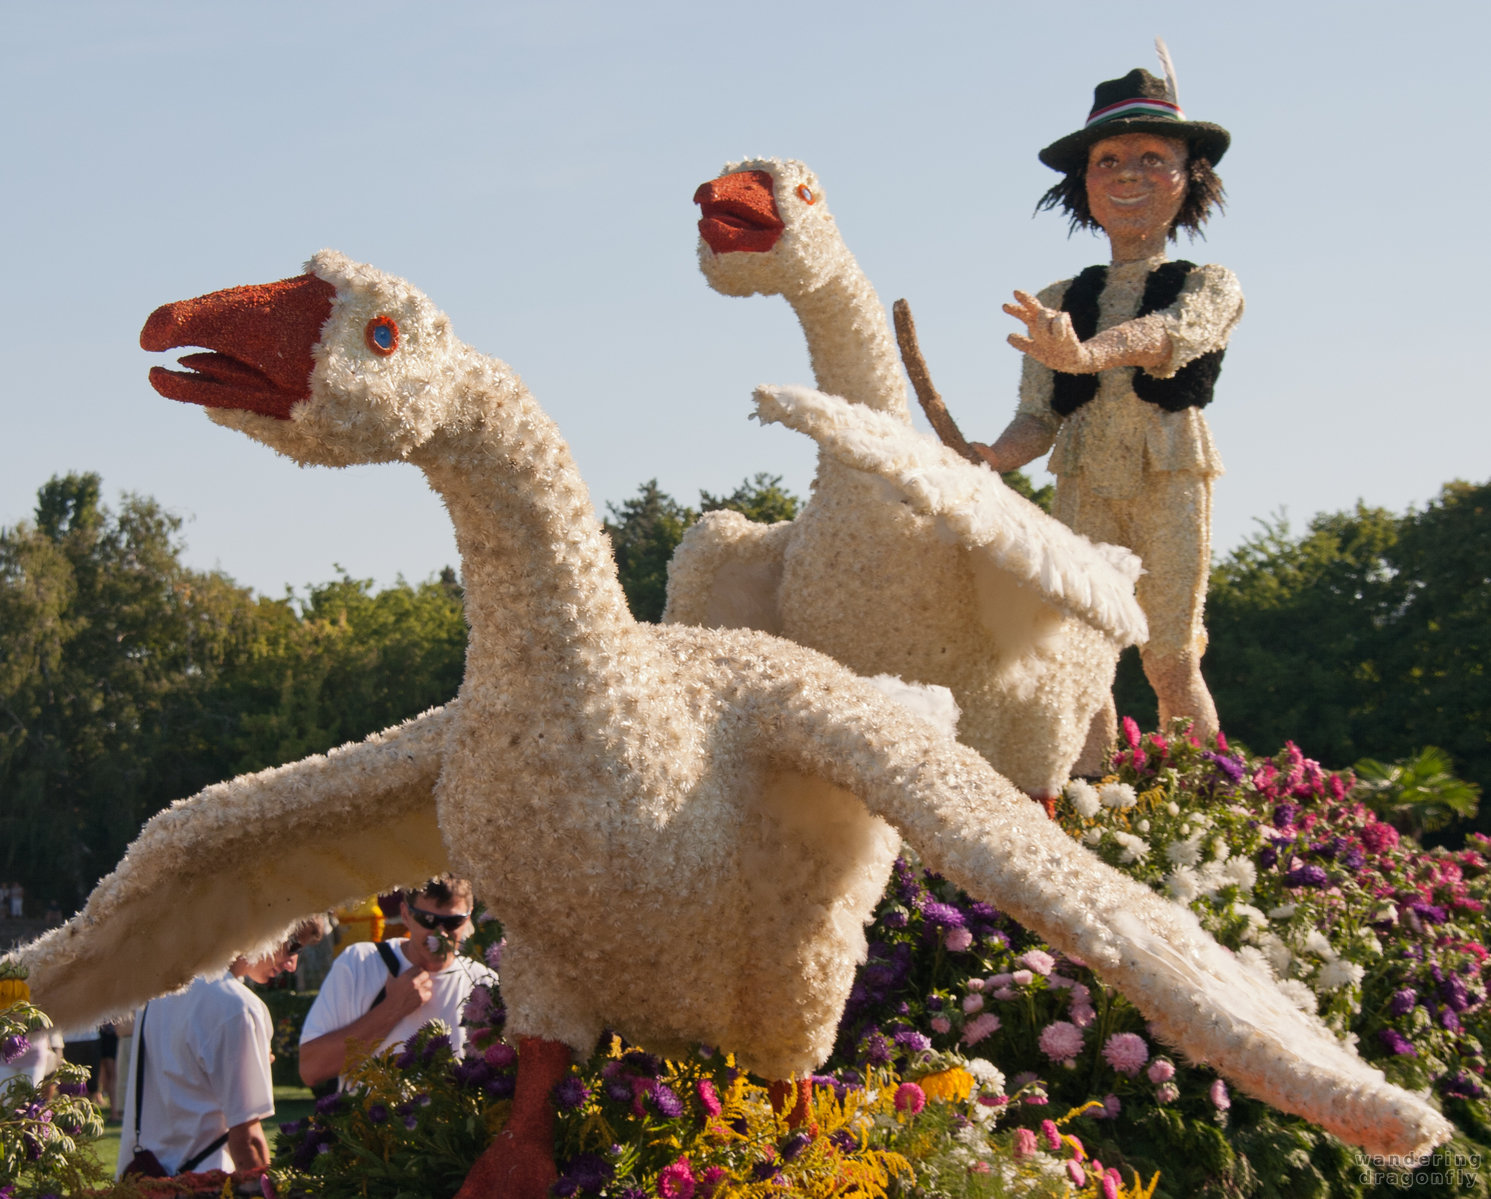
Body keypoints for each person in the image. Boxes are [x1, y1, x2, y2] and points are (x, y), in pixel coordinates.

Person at [975, 49, 1241, 759]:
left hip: (1170, 473)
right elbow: (1038, 413)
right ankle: (1092, 802)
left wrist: (1088, 353)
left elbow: (1172, 337)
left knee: (1168, 655)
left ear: (1189, 179)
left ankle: (1205, 800)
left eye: (1152, 157)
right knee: (1079, 654)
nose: (1129, 174)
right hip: (1085, 475)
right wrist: (992, 457)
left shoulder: (1208, 282)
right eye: (1109, 160)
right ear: (1084, 184)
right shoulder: (1060, 300)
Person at [116, 932, 303, 1178]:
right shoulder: (237, 1006)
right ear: (262, 926)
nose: (292, 964)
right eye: (292, 945)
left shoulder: (163, 989)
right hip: (204, 1183)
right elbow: (248, 1140)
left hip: (145, 1182)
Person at [298, 875, 498, 1089]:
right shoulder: (359, 962)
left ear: (468, 919)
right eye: (427, 920)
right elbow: (311, 1069)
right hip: (372, 1119)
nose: (440, 933)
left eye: (451, 922)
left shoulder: (483, 982)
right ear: (405, 914)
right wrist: (392, 1008)